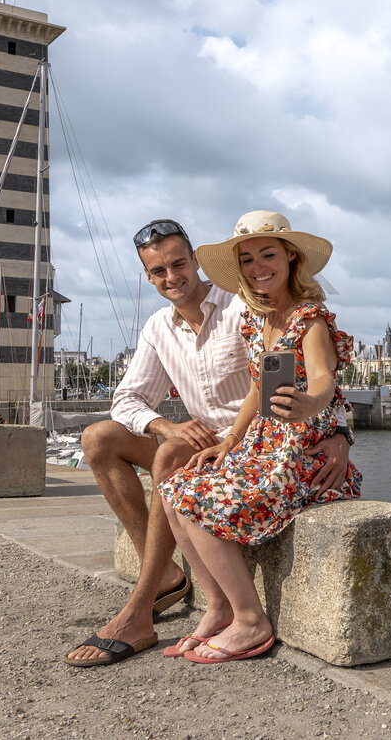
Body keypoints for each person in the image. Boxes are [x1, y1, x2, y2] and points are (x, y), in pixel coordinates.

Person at [64, 218, 352, 667]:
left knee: (175, 459)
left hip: (264, 443)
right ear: (148, 277)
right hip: (231, 439)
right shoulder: (161, 326)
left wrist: (339, 433)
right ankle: (166, 579)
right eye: (158, 271)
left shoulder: (247, 306)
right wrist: (167, 425)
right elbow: (128, 398)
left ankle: (144, 606)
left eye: (178, 264)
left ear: (195, 261)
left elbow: (319, 378)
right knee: (101, 437)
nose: (171, 277)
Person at [156, 210, 361, 663]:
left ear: (290, 256)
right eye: (246, 259)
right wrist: (231, 440)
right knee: (174, 491)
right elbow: (257, 387)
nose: (257, 267)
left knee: (195, 499)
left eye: (267, 254)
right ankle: (219, 606)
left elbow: (324, 377)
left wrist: (310, 403)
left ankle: (250, 620)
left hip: (299, 454)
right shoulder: (256, 318)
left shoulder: (310, 320)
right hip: (263, 445)